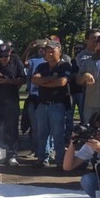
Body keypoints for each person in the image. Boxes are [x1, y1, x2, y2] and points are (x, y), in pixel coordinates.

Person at [31, 40, 72, 169]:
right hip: (42, 104)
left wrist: (43, 81)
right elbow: (34, 80)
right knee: (41, 134)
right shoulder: (42, 66)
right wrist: (52, 78)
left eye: (52, 50)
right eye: (47, 50)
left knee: (58, 134)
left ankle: (60, 161)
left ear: (59, 52)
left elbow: (61, 82)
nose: (49, 53)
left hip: (57, 105)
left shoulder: (64, 66)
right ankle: (42, 158)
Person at [0, 44, 26, 166]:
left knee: (11, 129)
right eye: (1, 56)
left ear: (10, 53)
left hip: (10, 102)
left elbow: (23, 79)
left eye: (5, 56)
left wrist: (8, 81)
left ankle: (12, 154)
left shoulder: (16, 62)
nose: (3, 59)